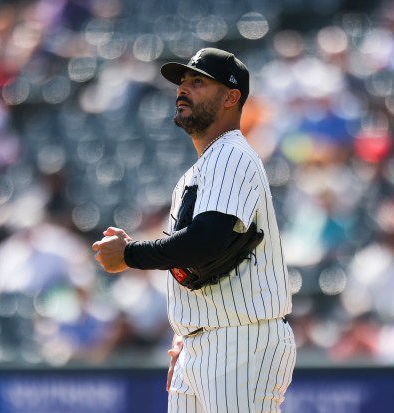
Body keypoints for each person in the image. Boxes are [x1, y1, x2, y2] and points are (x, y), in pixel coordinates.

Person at [92, 47, 296, 413]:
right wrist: (186, 333)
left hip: (242, 341)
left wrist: (130, 255)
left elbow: (207, 241)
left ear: (231, 98)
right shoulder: (199, 171)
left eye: (198, 82)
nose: (183, 89)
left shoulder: (232, 154)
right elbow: (196, 261)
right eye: (182, 82)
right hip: (203, 342)